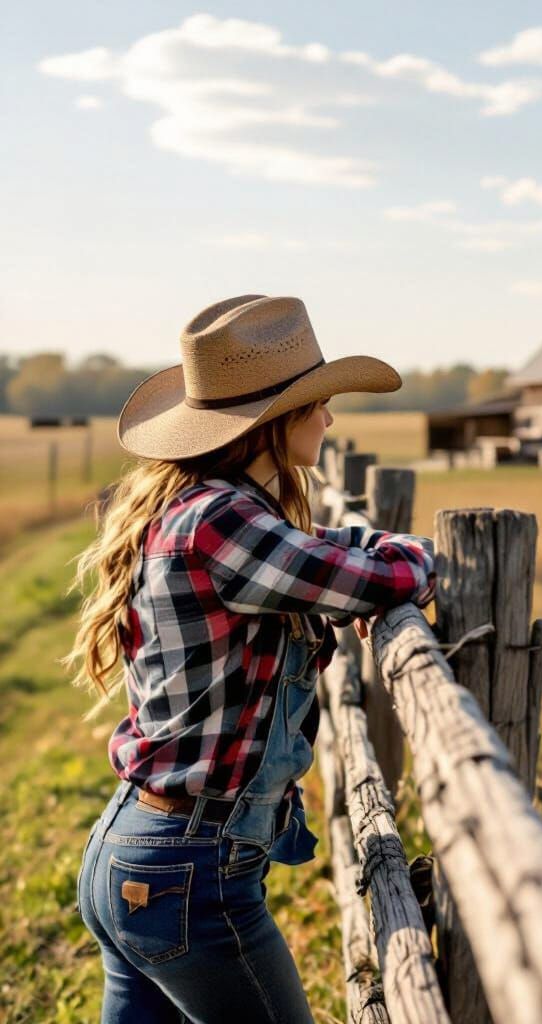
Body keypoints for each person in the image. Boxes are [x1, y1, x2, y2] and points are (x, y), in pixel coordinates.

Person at [64, 295, 436, 1023]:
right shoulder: (224, 522)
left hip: (136, 851)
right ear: (276, 421)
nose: (329, 419)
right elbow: (384, 575)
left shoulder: (201, 511)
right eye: (319, 404)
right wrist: (417, 558)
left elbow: (329, 551)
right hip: (189, 871)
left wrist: (360, 563)